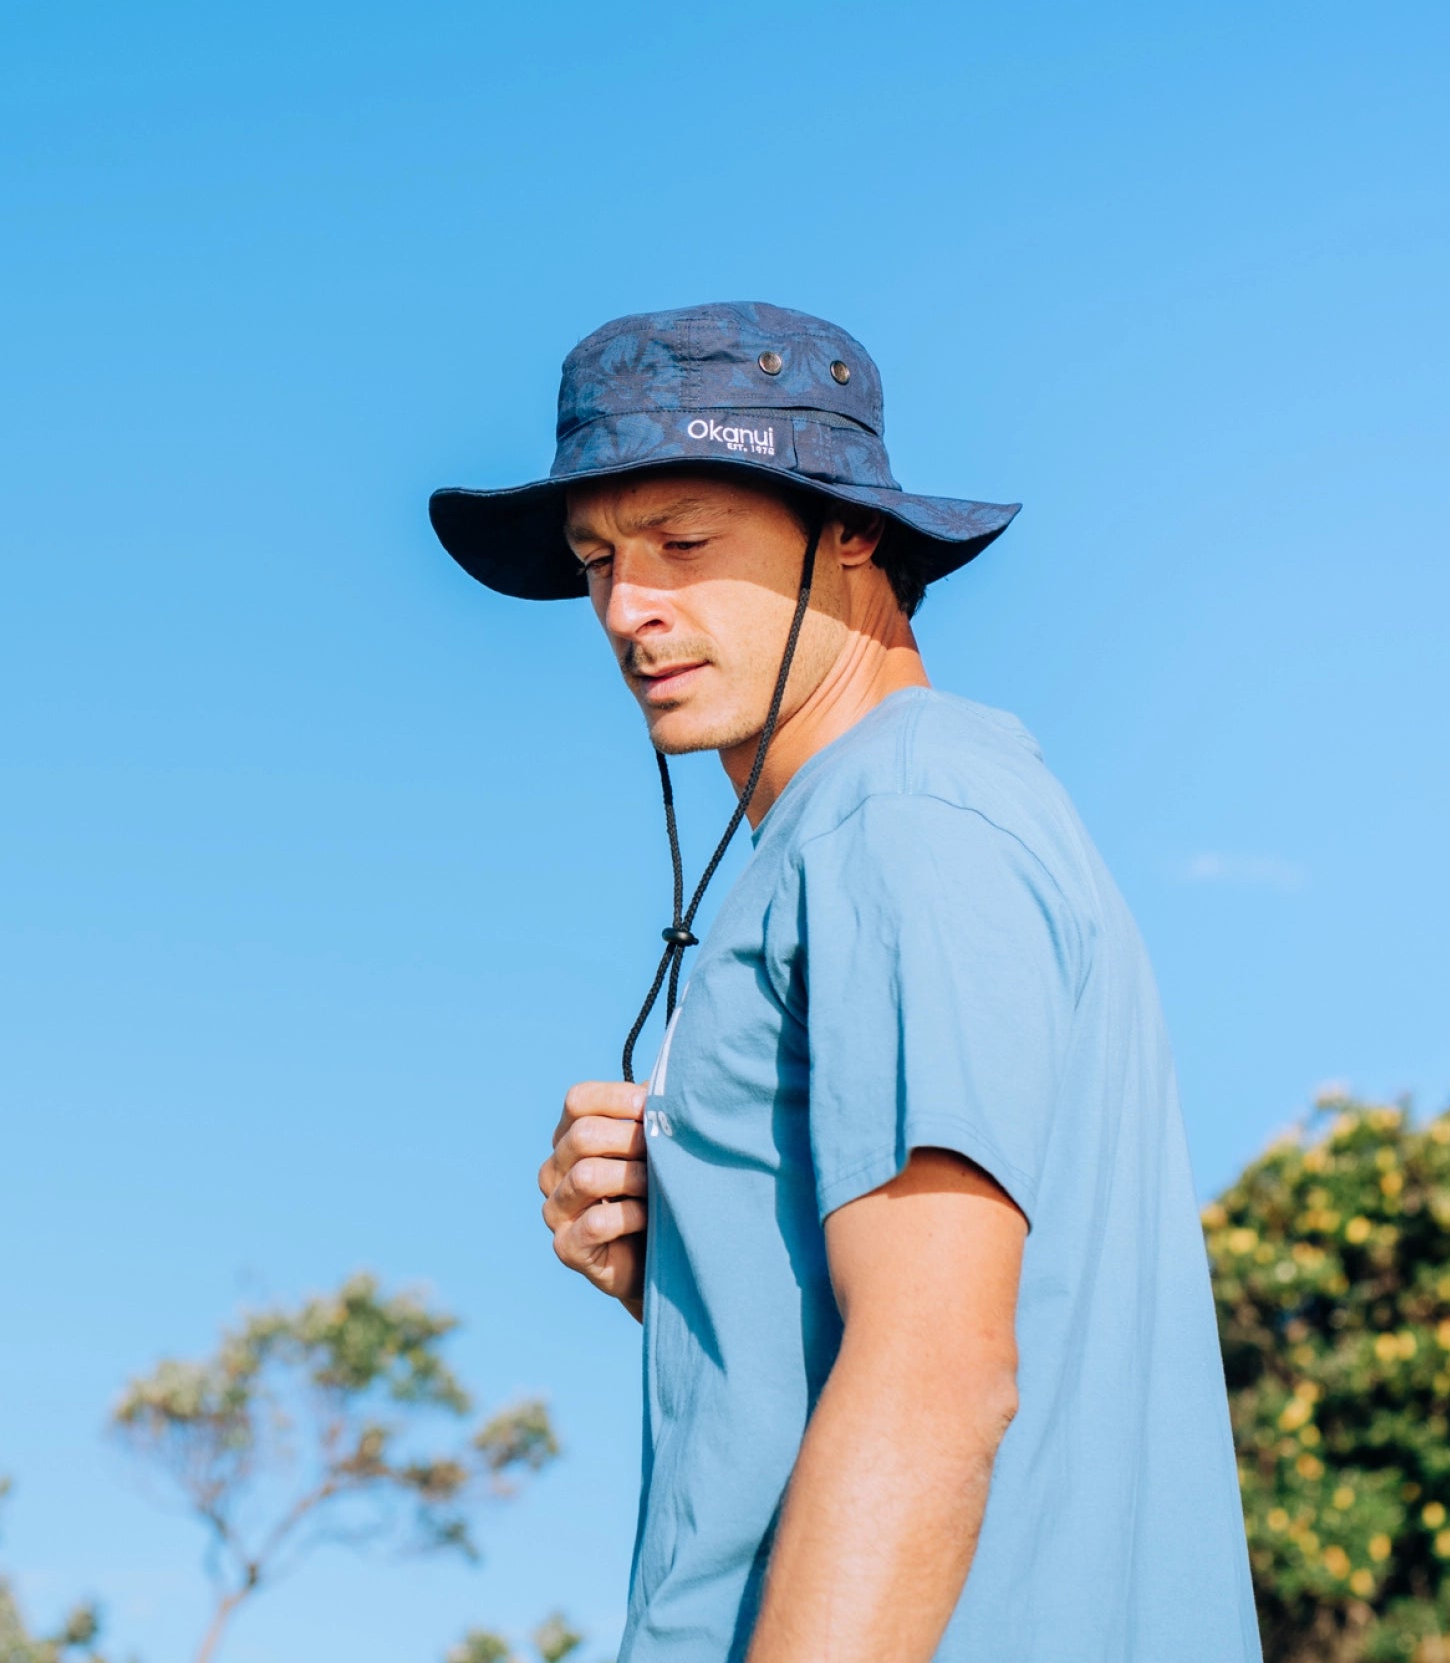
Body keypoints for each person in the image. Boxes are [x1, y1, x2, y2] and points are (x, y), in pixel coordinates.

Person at [430, 301, 1262, 1663]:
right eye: (595, 562)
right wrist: (688, 1247)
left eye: (684, 544)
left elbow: (937, 1375)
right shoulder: (906, 817)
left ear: (854, 531)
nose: (629, 609)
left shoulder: (901, 813)